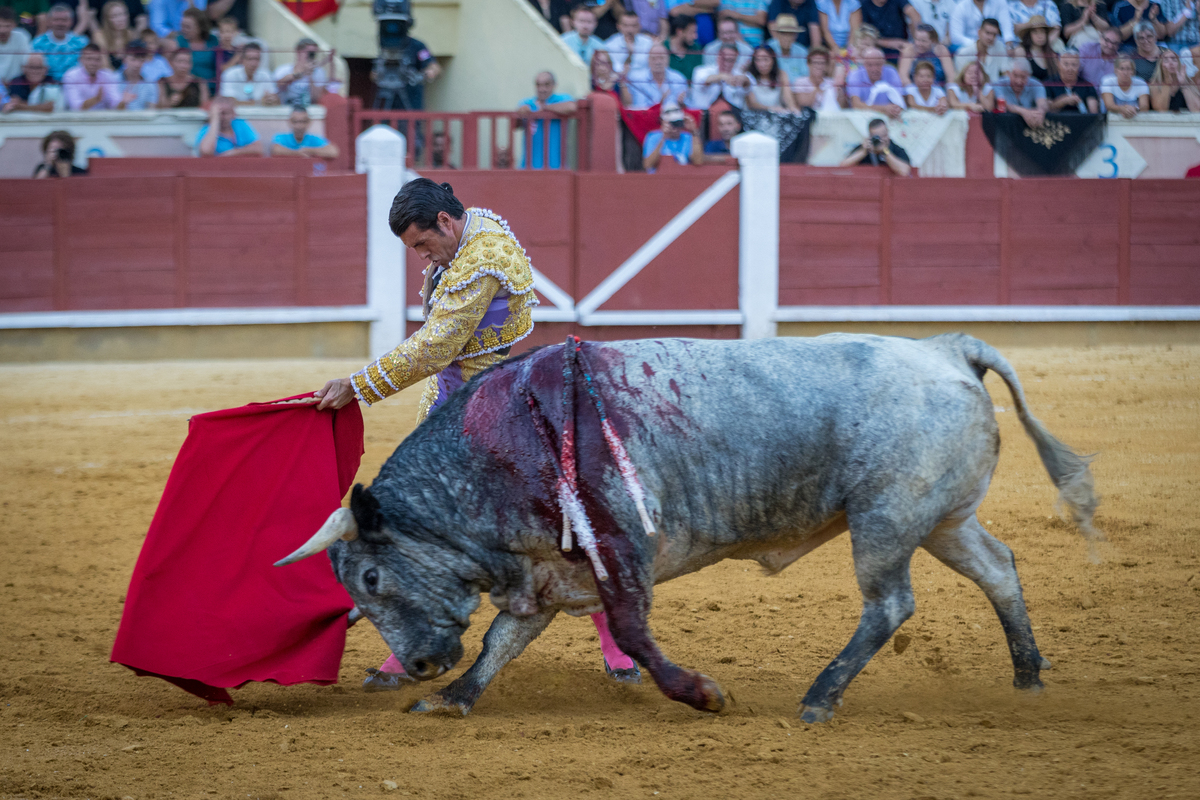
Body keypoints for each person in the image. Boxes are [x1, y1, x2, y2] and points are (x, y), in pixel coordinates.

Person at [309, 179, 643, 689]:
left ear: (445, 221)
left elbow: (435, 348)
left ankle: (615, 639)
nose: (422, 255)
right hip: (453, 409)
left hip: (494, 416)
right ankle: (409, 648)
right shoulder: (471, 234)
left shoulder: (482, 256)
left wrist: (359, 385)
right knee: (422, 530)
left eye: (423, 244)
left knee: (562, 529)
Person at [370, 23, 440, 110]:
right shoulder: (385, 44)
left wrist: (430, 72)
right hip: (388, 100)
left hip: (411, 99)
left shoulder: (417, 45)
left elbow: (433, 65)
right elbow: (374, 74)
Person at [516, 70, 576, 169]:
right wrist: (520, 113)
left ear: (554, 85)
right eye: (538, 85)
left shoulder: (561, 99)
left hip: (556, 167)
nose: (542, 89)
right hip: (528, 168)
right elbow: (515, 125)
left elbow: (571, 107)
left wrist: (544, 108)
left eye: (546, 84)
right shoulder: (527, 102)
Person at [31, 3, 88, 80]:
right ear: (49, 21)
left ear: (71, 22)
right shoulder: (38, 43)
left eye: (64, 20)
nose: (60, 23)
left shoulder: (82, 43)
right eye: (56, 20)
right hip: (47, 85)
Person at [986, 57, 1049, 125]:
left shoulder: (1037, 85)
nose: (1019, 81)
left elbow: (1042, 103)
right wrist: (1024, 112)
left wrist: (1040, 113)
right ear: (1009, 74)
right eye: (1015, 76)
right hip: (1005, 125)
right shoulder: (999, 84)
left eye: (1023, 77)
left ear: (1029, 76)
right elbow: (1004, 104)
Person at [642, 102, 704, 171]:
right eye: (672, 123)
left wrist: (693, 132)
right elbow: (648, 165)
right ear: (663, 122)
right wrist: (663, 137)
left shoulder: (688, 137)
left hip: (682, 177)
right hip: (659, 178)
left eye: (677, 123)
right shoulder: (653, 137)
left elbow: (698, 162)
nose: (675, 127)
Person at [688, 41, 750, 108]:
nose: (727, 64)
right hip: (705, 113)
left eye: (731, 60)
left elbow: (750, 83)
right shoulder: (701, 70)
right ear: (718, 56)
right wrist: (722, 76)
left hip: (733, 114)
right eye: (724, 59)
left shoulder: (738, 73)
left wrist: (745, 81)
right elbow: (703, 80)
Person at [839, 116, 911, 174]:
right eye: (877, 137)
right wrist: (863, 152)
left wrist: (885, 151)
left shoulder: (896, 149)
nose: (881, 140)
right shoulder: (864, 149)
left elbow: (904, 171)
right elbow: (842, 167)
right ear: (870, 136)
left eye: (883, 136)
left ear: (887, 133)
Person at [627, 42, 690, 108]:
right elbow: (639, 108)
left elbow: (687, 107)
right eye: (654, 59)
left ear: (668, 59)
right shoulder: (638, 81)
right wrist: (660, 103)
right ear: (648, 60)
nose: (658, 62)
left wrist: (681, 103)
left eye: (661, 58)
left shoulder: (679, 79)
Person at [847, 46, 905, 115]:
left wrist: (893, 109)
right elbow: (856, 105)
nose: (874, 69)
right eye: (870, 65)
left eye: (878, 64)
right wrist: (884, 109)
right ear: (864, 64)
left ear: (884, 63)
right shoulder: (855, 75)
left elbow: (900, 102)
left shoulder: (891, 72)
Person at [62, 41, 120, 109]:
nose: (93, 63)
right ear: (81, 59)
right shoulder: (71, 76)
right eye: (89, 59)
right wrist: (96, 99)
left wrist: (123, 103)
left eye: (97, 60)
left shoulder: (108, 75)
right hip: (78, 118)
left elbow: (115, 103)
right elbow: (76, 107)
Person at [745, 43, 800, 109]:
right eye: (758, 60)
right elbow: (752, 104)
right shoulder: (748, 76)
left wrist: (795, 111)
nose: (762, 64)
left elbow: (788, 99)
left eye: (765, 59)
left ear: (773, 60)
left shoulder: (781, 74)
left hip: (778, 115)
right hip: (756, 115)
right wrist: (772, 109)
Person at [274, 37, 328, 106]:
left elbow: (316, 98)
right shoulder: (283, 70)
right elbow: (278, 88)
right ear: (298, 52)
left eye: (314, 53)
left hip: (308, 112)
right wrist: (300, 73)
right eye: (310, 53)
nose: (311, 56)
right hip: (287, 110)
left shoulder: (319, 72)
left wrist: (310, 75)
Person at [271, 106, 340, 159]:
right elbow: (275, 149)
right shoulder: (281, 137)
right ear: (289, 122)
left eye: (303, 121)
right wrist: (297, 153)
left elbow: (333, 151)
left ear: (309, 123)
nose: (299, 126)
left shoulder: (314, 139)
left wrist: (308, 150)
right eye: (295, 121)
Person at [954, 17, 1010, 81]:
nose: (991, 38)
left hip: (995, 89)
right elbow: (960, 80)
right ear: (979, 32)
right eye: (987, 33)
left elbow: (1006, 72)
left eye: (994, 35)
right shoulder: (963, 53)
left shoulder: (999, 47)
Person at [90, 0, 140, 71]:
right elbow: (105, 66)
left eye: (124, 14)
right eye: (115, 16)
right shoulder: (99, 36)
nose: (121, 19)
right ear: (107, 19)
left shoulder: (131, 35)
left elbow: (135, 64)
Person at [792, 43, 845, 108]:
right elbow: (803, 103)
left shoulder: (831, 83)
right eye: (815, 63)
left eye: (822, 63)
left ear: (826, 66)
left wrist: (840, 94)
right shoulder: (800, 82)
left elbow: (841, 106)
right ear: (808, 64)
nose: (818, 66)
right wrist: (817, 88)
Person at [949, 0, 1016, 48]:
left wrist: (1008, 44)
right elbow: (956, 36)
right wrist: (977, 44)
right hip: (968, 47)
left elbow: (1006, 27)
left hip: (995, 44)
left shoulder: (1000, 2)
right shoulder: (960, 7)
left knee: (1018, 51)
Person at [114, 39, 158, 109]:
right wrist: (122, 103)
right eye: (133, 59)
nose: (137, 64)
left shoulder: (150, 84)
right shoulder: (113, 80)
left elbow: (151, 110)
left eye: (141, 60)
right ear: (124, 59)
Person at [1018, 15, 1062, 82]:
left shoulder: (1053, 55)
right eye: (1035, 32)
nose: (1040, 36)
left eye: (1042, 31)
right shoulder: (1022, 52)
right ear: (1029, 34)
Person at [768, 13, 809, 79]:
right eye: (783, 33)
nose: (787, 38)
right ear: (777, 34)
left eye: (790, 34)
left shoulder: (802, 52)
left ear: (796, 35)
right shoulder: (768, 49)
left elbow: (806, 76)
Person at [0, 7, 33, 84]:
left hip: (16, 84)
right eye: (0, 26)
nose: (2, 30)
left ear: (14, 25)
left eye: (7, 26)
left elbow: (26, 64)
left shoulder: (22, 37)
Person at [667, 14, 703, 79]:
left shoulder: (696, 49)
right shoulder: (663, 47)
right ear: (679, 32)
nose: (695, 37)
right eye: (692, 32)